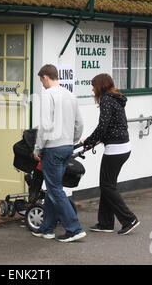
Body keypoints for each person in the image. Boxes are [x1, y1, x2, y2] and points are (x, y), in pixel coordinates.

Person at [32, 64, 86, 242]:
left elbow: (45, 126)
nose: (42, 84)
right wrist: (72, 140)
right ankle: (47, 229)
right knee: (52, 188)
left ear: (46, 77)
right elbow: (79, 123)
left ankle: (74, 228)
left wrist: (37, 148)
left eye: (41, 80)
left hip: (52, 148)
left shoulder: (48, 95)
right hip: (66, 147)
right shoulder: (70, 94)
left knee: (55, 189)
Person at [82, 73, 140, 235]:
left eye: (94, 86)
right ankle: (106, 223)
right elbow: (114, 125)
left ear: (100, 86)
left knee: (107, 186)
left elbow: (103, 126)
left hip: (116, 149)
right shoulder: (116, 98)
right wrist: (100, 139)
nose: (92, 89)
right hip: (122, 146)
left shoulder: (106, 99)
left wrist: (88, 141)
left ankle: (129, 219)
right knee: (108, 185)